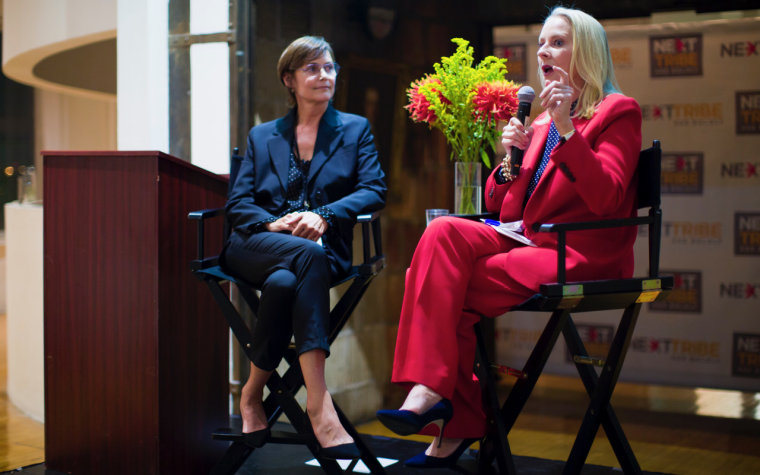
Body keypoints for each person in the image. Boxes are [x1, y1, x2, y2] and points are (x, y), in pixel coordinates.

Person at [376, 6, 642, 468]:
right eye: (541, 42)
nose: (544, 50)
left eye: (557, 42)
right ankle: (432, 390)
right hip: (534, 241)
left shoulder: (616, 112)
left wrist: (566, 131)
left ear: (587, 53)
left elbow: (608, 197)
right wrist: (509, 158)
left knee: (446, 289)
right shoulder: (538, 121)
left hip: (581, 252)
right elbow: (505, 208)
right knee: (441, 232)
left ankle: (451, 414)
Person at [221, 35, 386, 459]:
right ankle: (319, 401)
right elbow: (238, 203)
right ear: (289, 79)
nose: (324, 75)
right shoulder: (263, 136)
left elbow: (373, 191)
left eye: (329, 67)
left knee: (282, 283)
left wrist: (324, 215)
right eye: (312, 68)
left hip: (317, 254)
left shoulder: (354, 130)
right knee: (297, 259)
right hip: (257, 244)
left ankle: (251, 395)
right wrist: (273, 222)